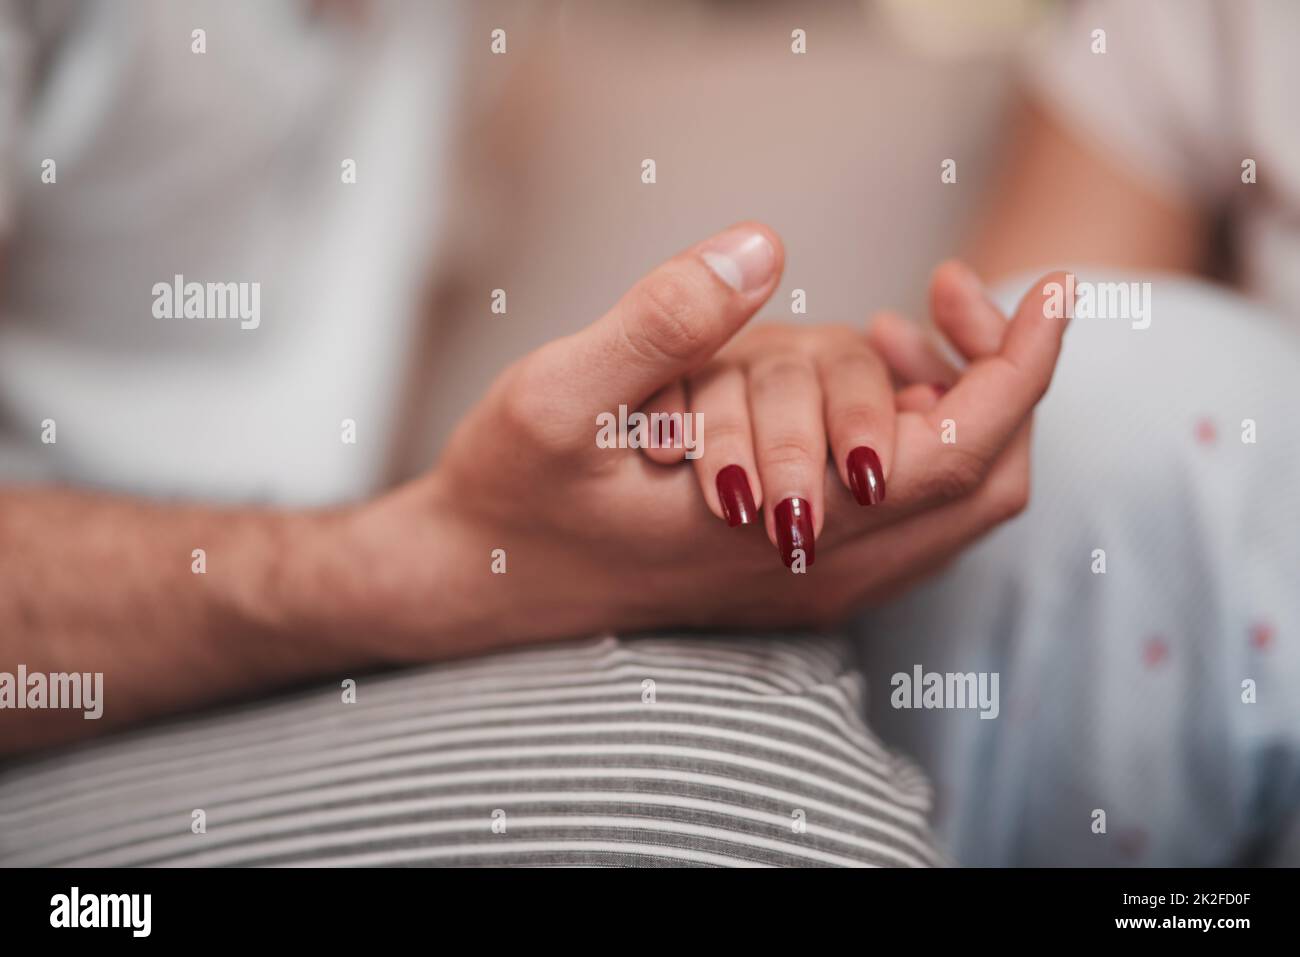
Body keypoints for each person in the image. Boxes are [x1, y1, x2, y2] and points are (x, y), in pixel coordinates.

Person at [0, 1, 1062, 866]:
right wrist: (417, 569)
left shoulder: (458, 45)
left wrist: (704, 421)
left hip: (247, 679)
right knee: (721, 782)